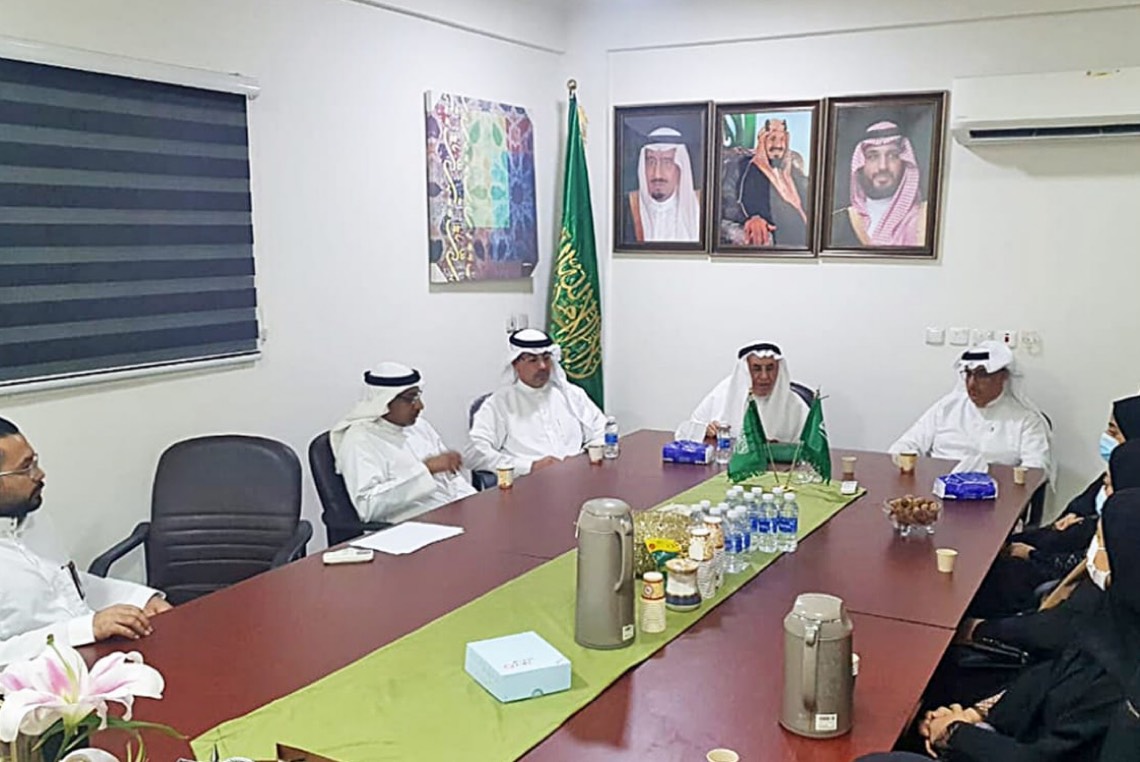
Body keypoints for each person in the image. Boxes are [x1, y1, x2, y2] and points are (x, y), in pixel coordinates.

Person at [915, 489, 1140, 761]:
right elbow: (1047, 675)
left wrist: (955, 734)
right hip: (1012, 730)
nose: (1091, 550)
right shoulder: (1111, 617)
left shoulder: (1121, 679)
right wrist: (976, 714)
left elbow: (1049, 757)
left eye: (1101, 540)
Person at [0, 418, 170, 666]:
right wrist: (84, 630)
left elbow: (66, 585)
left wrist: (140, 599)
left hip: (93, 657)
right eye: (26, 468)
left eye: (34, 461)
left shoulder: (29, 517)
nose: (39, 474)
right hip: (33, 678)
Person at [967, 396, 1140, 618]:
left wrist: (1031, 554)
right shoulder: (1115, 469)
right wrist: (1074, 514)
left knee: (992, 575)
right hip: (1058, 542)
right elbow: (1082, 503)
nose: (1106, 436)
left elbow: (1082, 562)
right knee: (990, 547)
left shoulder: (1130, 491)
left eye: (1114, 431)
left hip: (1063, 574)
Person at [330, 362, 475, 524]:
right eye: (411, 399)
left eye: (418, 396)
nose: (420, 406)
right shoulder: (360, 440)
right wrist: (426, 470)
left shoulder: (420, 426)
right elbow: (367, 506)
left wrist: (475, 504)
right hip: (411, 528)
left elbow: (452, 480)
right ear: (384, 401)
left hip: (451, 516)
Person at [888, 341, 1051, 476]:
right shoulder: (946, 408)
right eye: (968, 374)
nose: (971, 384)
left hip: (996, 496)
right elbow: (904, 446)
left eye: (982, 375)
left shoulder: (1026, 420)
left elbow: (1036, 468)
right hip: (939, 491)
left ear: (1003, 377)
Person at [465, 329, 607, 477]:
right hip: (529, 482)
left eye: (546, 358)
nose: (542, 366)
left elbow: (603, 430)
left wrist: (583, 457)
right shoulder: (499, 404)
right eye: (533, 360)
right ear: (515, 363)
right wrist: (529, 467)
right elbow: (475, 454)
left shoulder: (571, 395)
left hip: (579, 476)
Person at [675, 342, 809, 444]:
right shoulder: (723, 394)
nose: (764, 377)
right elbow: (685, 434)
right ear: (745, 371)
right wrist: (705, 431)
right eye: (756, 369)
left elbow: (811, 450)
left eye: (770, 369)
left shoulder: (795, 406)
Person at [831, 120, 927, 248]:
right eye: (872, 156)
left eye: (892, 156)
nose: (883, 166)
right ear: (860, 164)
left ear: (905, 162)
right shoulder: (837, 222)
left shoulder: (926, 218)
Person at [719, 118, 809, 247]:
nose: (778, 145)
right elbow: (739, 209)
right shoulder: (747, 170)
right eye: (772, 139)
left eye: (782, 139)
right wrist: (754, 219)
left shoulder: (795, 174)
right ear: (762, 140)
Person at [623, 126, 701, 243]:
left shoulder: (700, 207)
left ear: (680, 168)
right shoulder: (628, 208)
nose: (657, 174)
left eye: (667, 162)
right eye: (651, 162)